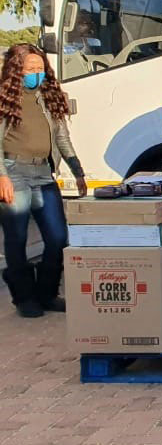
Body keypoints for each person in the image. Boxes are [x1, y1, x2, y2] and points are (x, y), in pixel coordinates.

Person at [0, 44, 87, 318]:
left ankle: (47, 292)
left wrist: (78, 170)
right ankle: (24, 296)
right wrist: (2, 176)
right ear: (17, 70)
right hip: (14, 171)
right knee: (17, 239)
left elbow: (62, 138)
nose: (36, 73)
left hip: (43, 173)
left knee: (58, 237)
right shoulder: (5, 100)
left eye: (40, 68)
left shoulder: (48, 97)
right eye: (30, 69)